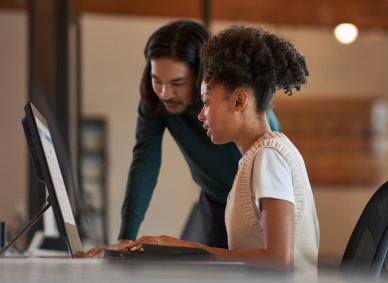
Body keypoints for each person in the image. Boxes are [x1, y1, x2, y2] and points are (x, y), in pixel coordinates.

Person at [125, 24, 320, 272]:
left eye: (206, 103)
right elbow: (144, 161)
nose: (200, 115)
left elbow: (280, 260)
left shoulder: (268, 157)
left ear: (239, 101)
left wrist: (193, 249)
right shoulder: (257, 157)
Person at [85, 20, 281, 257]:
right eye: (157, 80)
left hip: (256, 205)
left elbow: (279, 256)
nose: (166, 94)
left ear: (203, 76)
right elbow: (144, 161)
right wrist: (126, 237)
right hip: (213, 200)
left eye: (178, 83)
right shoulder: (155, 100)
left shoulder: (240, 109)